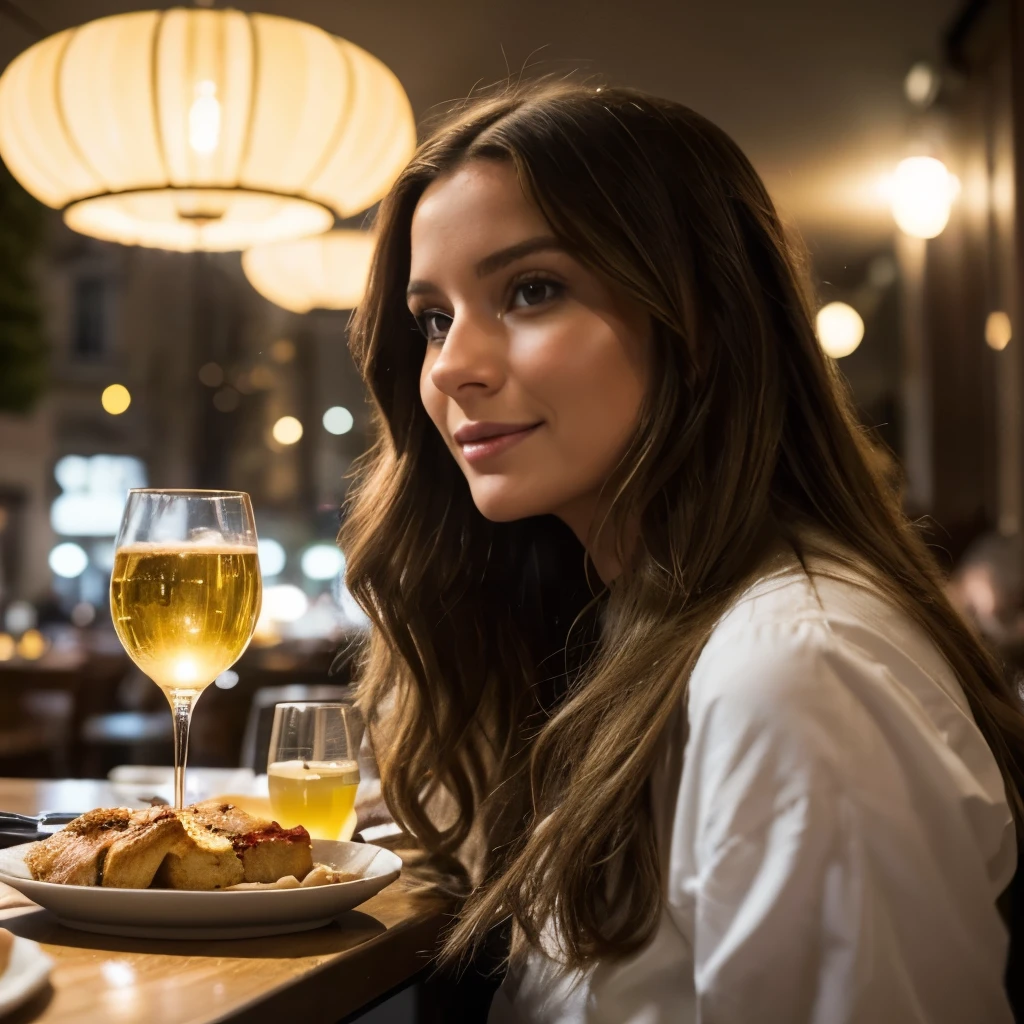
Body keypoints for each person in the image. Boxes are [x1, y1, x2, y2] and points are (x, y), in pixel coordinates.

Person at [339, 82, 1024, 1023]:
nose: (452, 365)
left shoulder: (797, 671)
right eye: (434, 319)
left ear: (702, 320)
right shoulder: (626, 621)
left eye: (532, 290)